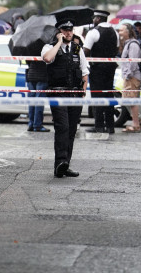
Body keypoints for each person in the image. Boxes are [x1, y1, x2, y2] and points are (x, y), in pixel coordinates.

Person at [42, 18, 89, 178]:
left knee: (71, 129)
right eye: (65, 30)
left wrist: (82, 91)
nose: (68, 32)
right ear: (58, 32)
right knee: (62, 127)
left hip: (75, 94)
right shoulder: (49, 47)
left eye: (70, 29)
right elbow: (47, 59)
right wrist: (58, 43)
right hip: (58, 93)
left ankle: (65, 164)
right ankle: (60, 162)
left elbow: (84, 71)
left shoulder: (77, 49)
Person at [83, 10, 118, 134]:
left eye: (94, 18)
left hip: (97, 68)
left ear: (98, 18)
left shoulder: (93, 32)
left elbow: (85, 52)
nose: (93, 20)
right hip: (110, 69)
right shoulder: (115, 32)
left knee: (97, 95)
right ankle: (110, 126)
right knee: (109, 95)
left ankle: (98, 125)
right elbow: (117, 49)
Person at [118, 23, 141, 132]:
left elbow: (133, 62)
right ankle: (139, 120)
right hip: (129, 76)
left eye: (122, 30)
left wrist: (128, 75)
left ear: (128, 32)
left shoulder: (133, 44)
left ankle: (136, 124)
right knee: (128, 101)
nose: (119, 32)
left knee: (131, 101)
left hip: (132, 77)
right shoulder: (127, 44)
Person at [25, 58, 50, 133]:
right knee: (39, 101)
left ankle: (31, 124)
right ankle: (37, 125)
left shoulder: (29, 47)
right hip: (42, 75)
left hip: (31, 75)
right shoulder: (45, 47)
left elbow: (28, 61)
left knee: (32, 101)